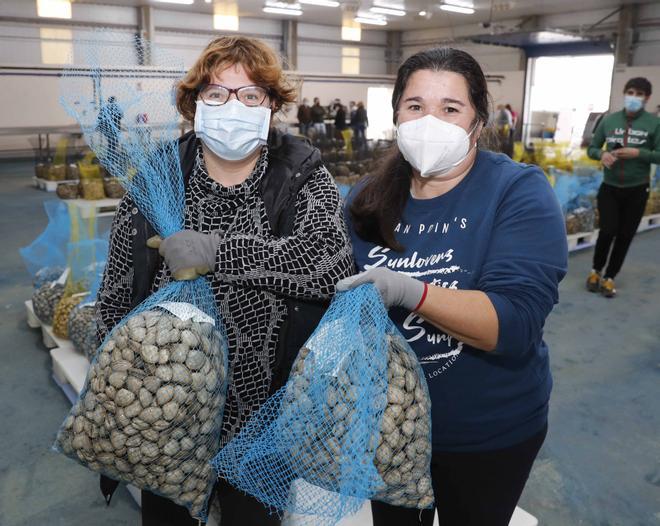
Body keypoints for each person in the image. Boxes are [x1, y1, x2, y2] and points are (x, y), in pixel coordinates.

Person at [96, 35, 354, 526]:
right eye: (216, 94)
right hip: (169, 402)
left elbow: (330, 264)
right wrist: (126, 373)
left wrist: (219, 252)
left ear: (272, 105)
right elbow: (118, 286)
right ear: (194, 104)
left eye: (250, 94)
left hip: (264, 413)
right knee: (167, 516)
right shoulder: (160, 173)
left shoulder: (301, 172)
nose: (232, 106)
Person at [337, 47, 567, 526]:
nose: (429, 121)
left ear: (477, 123)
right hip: (389, 427)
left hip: (486, 435)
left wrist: (410, 292)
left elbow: (514, 322)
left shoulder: (517, 191)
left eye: (450, 108)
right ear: (397, 115)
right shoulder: (366, 197)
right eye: (416, 106)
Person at [586, 77, 660, 297]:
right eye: (630, 92)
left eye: (639, 94)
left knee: (625, 234)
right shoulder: (609, 121)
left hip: (637, 189)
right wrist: (603, 154)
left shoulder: (654, 124)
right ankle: (595, 271)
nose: (633, 97)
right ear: (624, 93)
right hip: (609, 187)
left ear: (647, 98)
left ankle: (610, 277)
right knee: (607, 230)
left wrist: (640, 153)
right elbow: (592, 148)